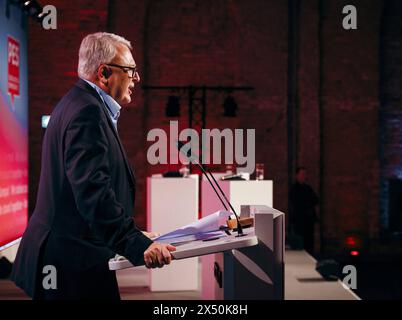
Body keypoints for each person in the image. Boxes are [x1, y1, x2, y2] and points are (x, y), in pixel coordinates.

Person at [11, 32, 175, 300]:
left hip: (74, 254)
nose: (136, 78)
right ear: (104, 73)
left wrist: (129, 232)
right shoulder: (87, 113)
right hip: (71, 263)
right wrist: (133, 242)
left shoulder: (79, 104)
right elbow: (93, 193)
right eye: (130, 70)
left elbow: (79, 194)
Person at [289, 167, 319, 256]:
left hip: (309, 219)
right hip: (299, 219)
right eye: (302, 174)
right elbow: (296, 202)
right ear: (297, 176)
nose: (304, 176)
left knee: (309, 241)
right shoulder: (294, 189)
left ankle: (310, 256)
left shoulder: (308, 188)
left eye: (305, 174)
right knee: (300, 241)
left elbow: (316, 200)